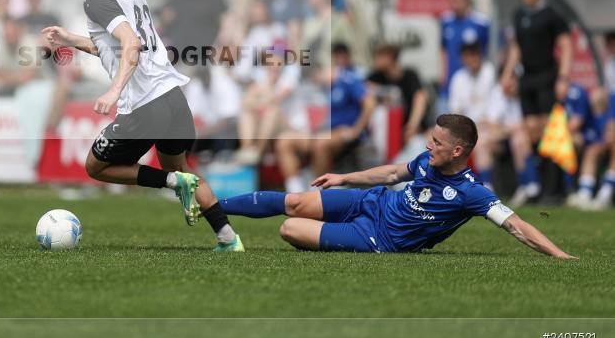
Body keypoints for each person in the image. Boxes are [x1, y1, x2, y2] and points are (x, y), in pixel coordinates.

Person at [43, 0, 243, 251]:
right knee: (182, 169)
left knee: (97, 166)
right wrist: (70, 40)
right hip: (174, 98)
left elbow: (131, 43)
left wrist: (113, 90)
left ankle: (172, 183)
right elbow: (115, 48)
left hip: (145, 103)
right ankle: (228, 238)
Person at [221, 114, 575, 259]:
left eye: (436, 142)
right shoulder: (426, 161)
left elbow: (516, 225)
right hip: (370, 202)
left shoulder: (472, 192)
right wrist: (344, 178)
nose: (427, 147)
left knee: (289, 228)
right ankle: (214, 206)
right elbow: (391, 174)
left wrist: (559, 255)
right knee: (297, 201)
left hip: (380, 240)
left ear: (457, 151)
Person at [500, 0, 572, 202]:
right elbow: (516, 48)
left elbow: (566, 45)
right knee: (531, 131)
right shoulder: (519, 14)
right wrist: (508, 74)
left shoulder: (552, 15)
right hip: (527, 79)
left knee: (549, 131)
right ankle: (538, 185)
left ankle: (556, 188)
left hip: (547, 77)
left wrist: (563, 78)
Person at [275, 43, 376, 193]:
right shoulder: (322, 89)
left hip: (343, 133)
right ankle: (294, 190)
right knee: (284, 141)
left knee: (320, 144)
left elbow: (370, 103)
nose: (315, 80)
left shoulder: (348, 80)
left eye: (316, 75)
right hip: (321, 133)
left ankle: (318, 191)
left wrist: (356, 130)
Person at [448, 42, 497, 187]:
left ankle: (487, 187)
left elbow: (496, 103)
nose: (472, 60)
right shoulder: (458, 78)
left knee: (481, 142)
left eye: (474, 55)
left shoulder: (490, 72)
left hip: (491, 125)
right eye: (467, 56)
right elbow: (456, 110)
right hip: (469, 127)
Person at [367, 43, 430, 147]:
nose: (376, 60)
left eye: (379, 56)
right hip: (387, 130)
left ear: (390, 57)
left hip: (410, 129)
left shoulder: (409, 75)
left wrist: (412, 126)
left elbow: (420, 97)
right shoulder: (376, 77)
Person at [439, 0, 490, 108]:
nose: (454, 3)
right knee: (443, 121)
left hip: (472, 82)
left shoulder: (481, 22)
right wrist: (443, 74)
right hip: (450, 81)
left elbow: (488, 51)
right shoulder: (446, 21)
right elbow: (443, 49)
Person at [563, 84, 609, 209]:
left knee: (591, 151)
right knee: (572, 144)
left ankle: (596, 193)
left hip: (600, 140)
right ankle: (578, 192)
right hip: (594, 139)